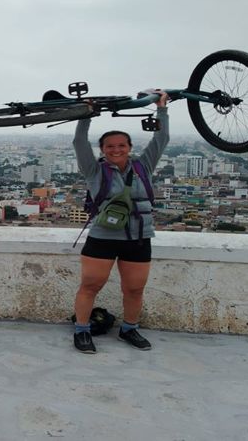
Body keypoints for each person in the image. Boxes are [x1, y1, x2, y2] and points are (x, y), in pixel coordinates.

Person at [72, 90, 169, 354]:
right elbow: (79, 142)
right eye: (110, 146)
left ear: (129, 148)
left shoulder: (142, 167)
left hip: (139, 237)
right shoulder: (94, 170)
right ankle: (81, 331)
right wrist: (86, 115)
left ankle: (130, 328)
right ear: (102, 150)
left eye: (121, 145)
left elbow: (161, 139)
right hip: (103, 237)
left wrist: (162, 109)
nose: (116, 150)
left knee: (135, 289)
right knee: (90, 286)